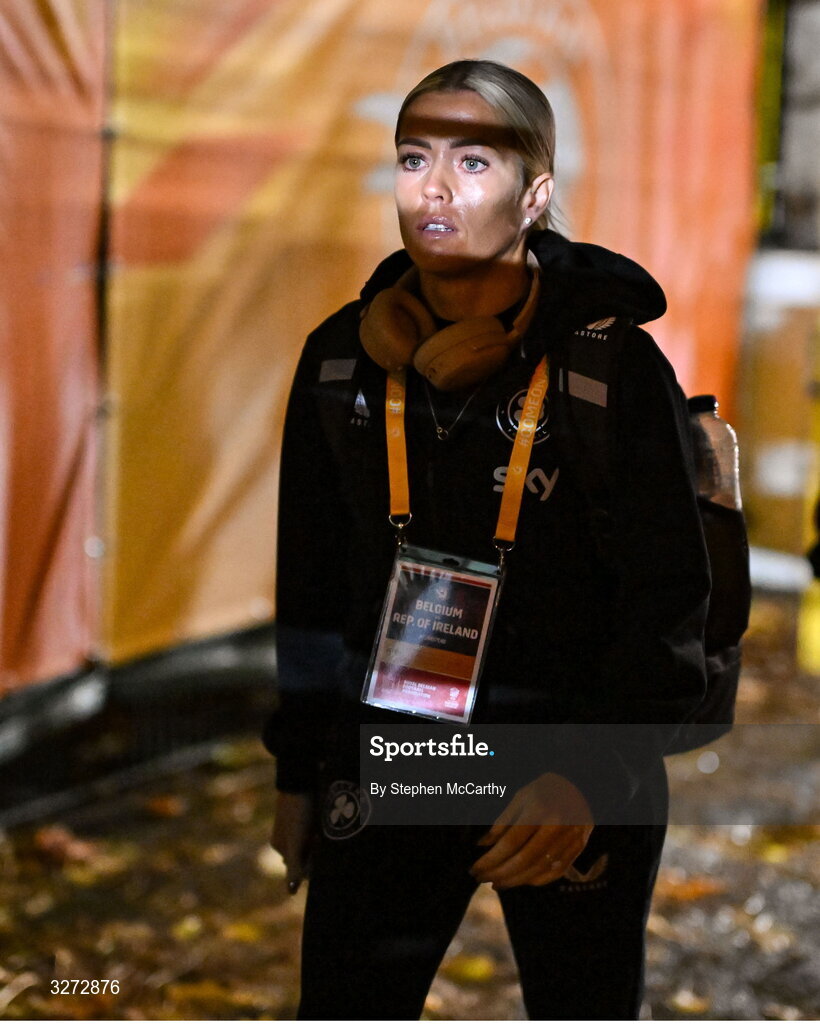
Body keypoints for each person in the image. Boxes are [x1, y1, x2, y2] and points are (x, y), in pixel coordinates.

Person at [265, 59, 710, 1020]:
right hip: (394, 754)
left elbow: (672, 596)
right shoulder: (340, 358)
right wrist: (300, 770)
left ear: (535, 194)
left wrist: (593, 772)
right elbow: (308, 586)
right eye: (413, 156)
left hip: (564, 761)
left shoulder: (609, 370)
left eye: (475, 162)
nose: (433, 185)